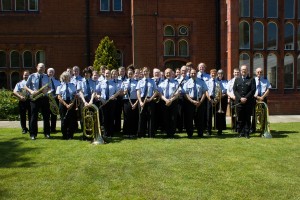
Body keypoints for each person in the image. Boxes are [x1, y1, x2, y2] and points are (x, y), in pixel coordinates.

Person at [24, 63, 51, 140]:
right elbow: (26, 86)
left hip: (44, 98)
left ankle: (47, 133)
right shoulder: (32, 76)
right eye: (40, 67)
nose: (41, 68)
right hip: (34, 98)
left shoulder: (47, 77)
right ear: (37, 67)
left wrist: (46, 90)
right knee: (33, 116)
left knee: (46, 116)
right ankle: (33, 134)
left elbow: (49, 87)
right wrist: (31, 91)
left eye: (43, 67)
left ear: (45, 68)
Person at [183, 68, 208, 138]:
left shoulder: (201, 81)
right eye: (192, 73)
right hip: (190, 102)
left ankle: (200, 133)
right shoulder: (187, 82)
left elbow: (204, 92)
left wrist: (200, 102)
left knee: (200, 118)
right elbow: (185, 93)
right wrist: (191, 101)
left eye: (194, 73)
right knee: (189, 118)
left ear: (196, 74)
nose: (193, 74)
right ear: (190, 74)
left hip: (200, 101)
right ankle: (190, 134)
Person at [233, 65, 256, 138]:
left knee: (247, 118)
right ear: (240, 71)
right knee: (240, 118)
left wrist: (245, 98)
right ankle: (240, 132)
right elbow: (235, 90)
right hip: (239, 102)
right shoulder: (237, 80)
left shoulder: (251, 79)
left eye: (245, 70)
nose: (243, 71)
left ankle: (247, 133)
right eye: (242, 70)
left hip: (248, 102)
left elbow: (252, 90)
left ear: (247, 71)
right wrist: (240, 98)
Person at [95, 69, 120, 137]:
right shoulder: (100, 83)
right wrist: (99, 97)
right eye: (106, 73)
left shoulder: (114, 83)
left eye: (108, 73)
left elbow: (118, 92)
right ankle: (106, 133)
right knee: (104, 117)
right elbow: (97, 92)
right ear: (104, 74)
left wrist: (114, 96)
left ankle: (111, 133)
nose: (107, 74)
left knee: (111, 117)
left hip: (111, 102)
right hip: (103, 101)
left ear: (110, 74)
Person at [158, 68, 180, 138]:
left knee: (173, 118)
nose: (168, 74)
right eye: (167, 73)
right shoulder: (162, 83)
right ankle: (167, 132)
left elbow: (178, 93)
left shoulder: (176, 82)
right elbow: (160, 94)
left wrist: (171, 100)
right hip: (164, 102)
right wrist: (166, 100)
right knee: (165, 117)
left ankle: (172, 133)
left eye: (169, 73)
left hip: (173, 102)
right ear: (164, 74)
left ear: (172, 74)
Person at [136, 67, 158, 138]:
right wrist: (140, 102)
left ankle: (151, 134)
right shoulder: (140, 81)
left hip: (149, 99)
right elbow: (138, 92)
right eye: (144, 71)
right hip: (142, 100)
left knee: (151, 117)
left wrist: (150, 99)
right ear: (142, 72)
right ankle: (141, 134)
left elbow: (156, 92)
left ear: (149, 72)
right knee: (141, 117)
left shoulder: (152, 81)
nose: (145, 73)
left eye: (146, 71)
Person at [56, 71, 77, 140]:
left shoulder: (73, 85)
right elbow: (59, 97)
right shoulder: (59, 86)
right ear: (63, 77)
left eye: (68, 76)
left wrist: (71, 104)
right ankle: (64, 135)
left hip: (71, 103)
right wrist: (66, 105)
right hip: (62, 103)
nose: (66, 77)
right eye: (65, 76)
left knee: (71, 119)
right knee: (63, 119)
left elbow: (75, 96)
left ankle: (70, 135)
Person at [251, 67, 272, 132]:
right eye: (258, 72)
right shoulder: (253, 80)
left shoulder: (265, 80)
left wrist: (262, 97)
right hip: (255, 98)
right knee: (254, 114)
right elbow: (251, 90)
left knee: (264, 113)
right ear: (255, 73)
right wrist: (257, 97)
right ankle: (253, 128)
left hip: (263, 98)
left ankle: (263, 128)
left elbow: (268, 89)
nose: (259, 73)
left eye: (260, 72)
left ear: (262, 73)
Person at [121, 68, 139, 138]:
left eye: (131, 73)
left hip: (134, 100)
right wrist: (124, 92)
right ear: (127, 74)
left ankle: (133, 132)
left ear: (133, 74)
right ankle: (126, 132)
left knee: (134, 117)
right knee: (126, 116)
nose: (130, 75)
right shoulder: (124, 82)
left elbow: (138, 94)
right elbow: (121, 93)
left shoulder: (137, 82)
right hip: (126, 100)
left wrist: (136, 102)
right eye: (129, 74)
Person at [175, 65, 190, 132]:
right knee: (179, 113)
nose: (183, 72)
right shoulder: (176, 79)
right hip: (180, 97)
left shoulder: (190, 79)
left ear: (187, 71)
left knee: (187, 113)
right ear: (180, 71)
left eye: (185, 70)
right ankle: (180, 128)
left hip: (188, 97)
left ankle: (187, 128)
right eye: (182, 70)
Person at [47, 68, 61, 133]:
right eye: (49, 72)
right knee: (46, 114)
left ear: (54, 73)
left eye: (52, 72)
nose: (51, 73)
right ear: (47, 72)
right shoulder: (45, 81)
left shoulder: (57, 81)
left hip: (55, 99)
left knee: (54, 114)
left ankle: (53, 128)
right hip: (47, 99)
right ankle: (47, 128)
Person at [215, 69, 228, 135]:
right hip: (217, 99)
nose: (220, 75)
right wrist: (217, 96)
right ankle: (217, 127)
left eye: (222, 74)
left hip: (223, 98)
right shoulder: (215, 81)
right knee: (217, 114)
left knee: (223, 113)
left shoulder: (226, 81)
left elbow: (227, 90)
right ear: (217, 74)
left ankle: (222, 127)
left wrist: (224, 95)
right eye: (219, 74)